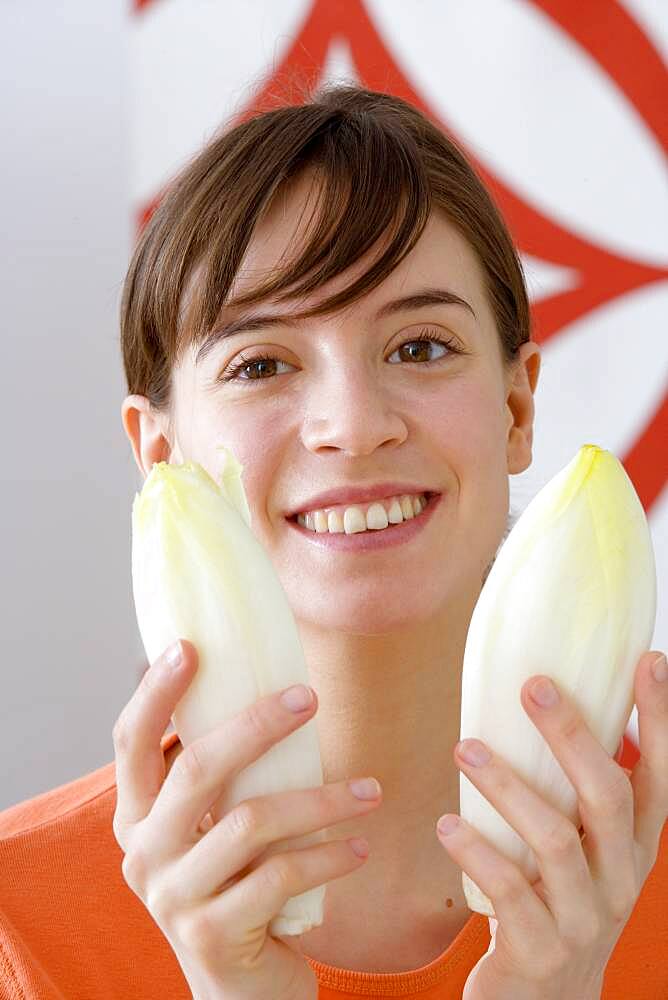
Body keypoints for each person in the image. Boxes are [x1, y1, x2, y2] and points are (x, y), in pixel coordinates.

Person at [0, 84, 665, 1000]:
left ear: (517, 408)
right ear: (161, 453)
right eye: (262, 364)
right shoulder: (18, 918)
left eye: (420, 347)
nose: (352, 426)